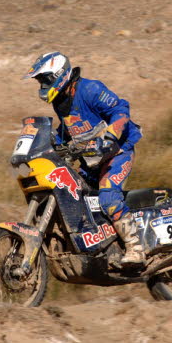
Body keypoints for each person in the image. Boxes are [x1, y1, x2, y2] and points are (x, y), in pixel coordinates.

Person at [23, 52, 144, 264]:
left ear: (60, 75)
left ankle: (136, 248)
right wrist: (51, 145)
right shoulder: (60, 102)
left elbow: (120, 109)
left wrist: (110, 136)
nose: (42, 85)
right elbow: (69, 130)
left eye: (45, 79)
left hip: (117, 152)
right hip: (91, 160)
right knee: (72, 195)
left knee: (108, 198)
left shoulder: (90, 89)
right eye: (40, 81)